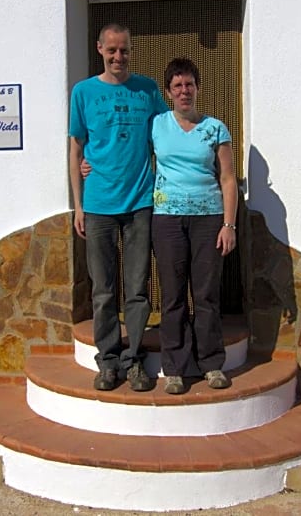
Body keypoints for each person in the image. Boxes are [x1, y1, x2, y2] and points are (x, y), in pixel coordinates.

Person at [68, 23, 169, 392]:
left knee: (137, 288)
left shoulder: (147, 89)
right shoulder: (83, 92)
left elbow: (165, 135)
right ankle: (108, 361)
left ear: (131, 49)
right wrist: (78, 205)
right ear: (99, 49)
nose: (118, 57)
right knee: (103, 290)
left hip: (141, 203)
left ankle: (134, 360)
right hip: (97, 206)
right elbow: (76, 150)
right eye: (111, 50)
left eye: (124, 50)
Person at [151, 57, 238, 395]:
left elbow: (228, 179)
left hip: (208, 219)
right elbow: (130, 156)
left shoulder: (215, 128)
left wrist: (229, 224)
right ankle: (174, 367)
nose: (184, 91)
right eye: (177, 86)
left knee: (206, 294)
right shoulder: (157, 124)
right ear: (169, 92)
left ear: (198, 88)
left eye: (189, 84)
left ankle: (212, 363)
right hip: (167, 219)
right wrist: (89, 163)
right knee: (172, 295)